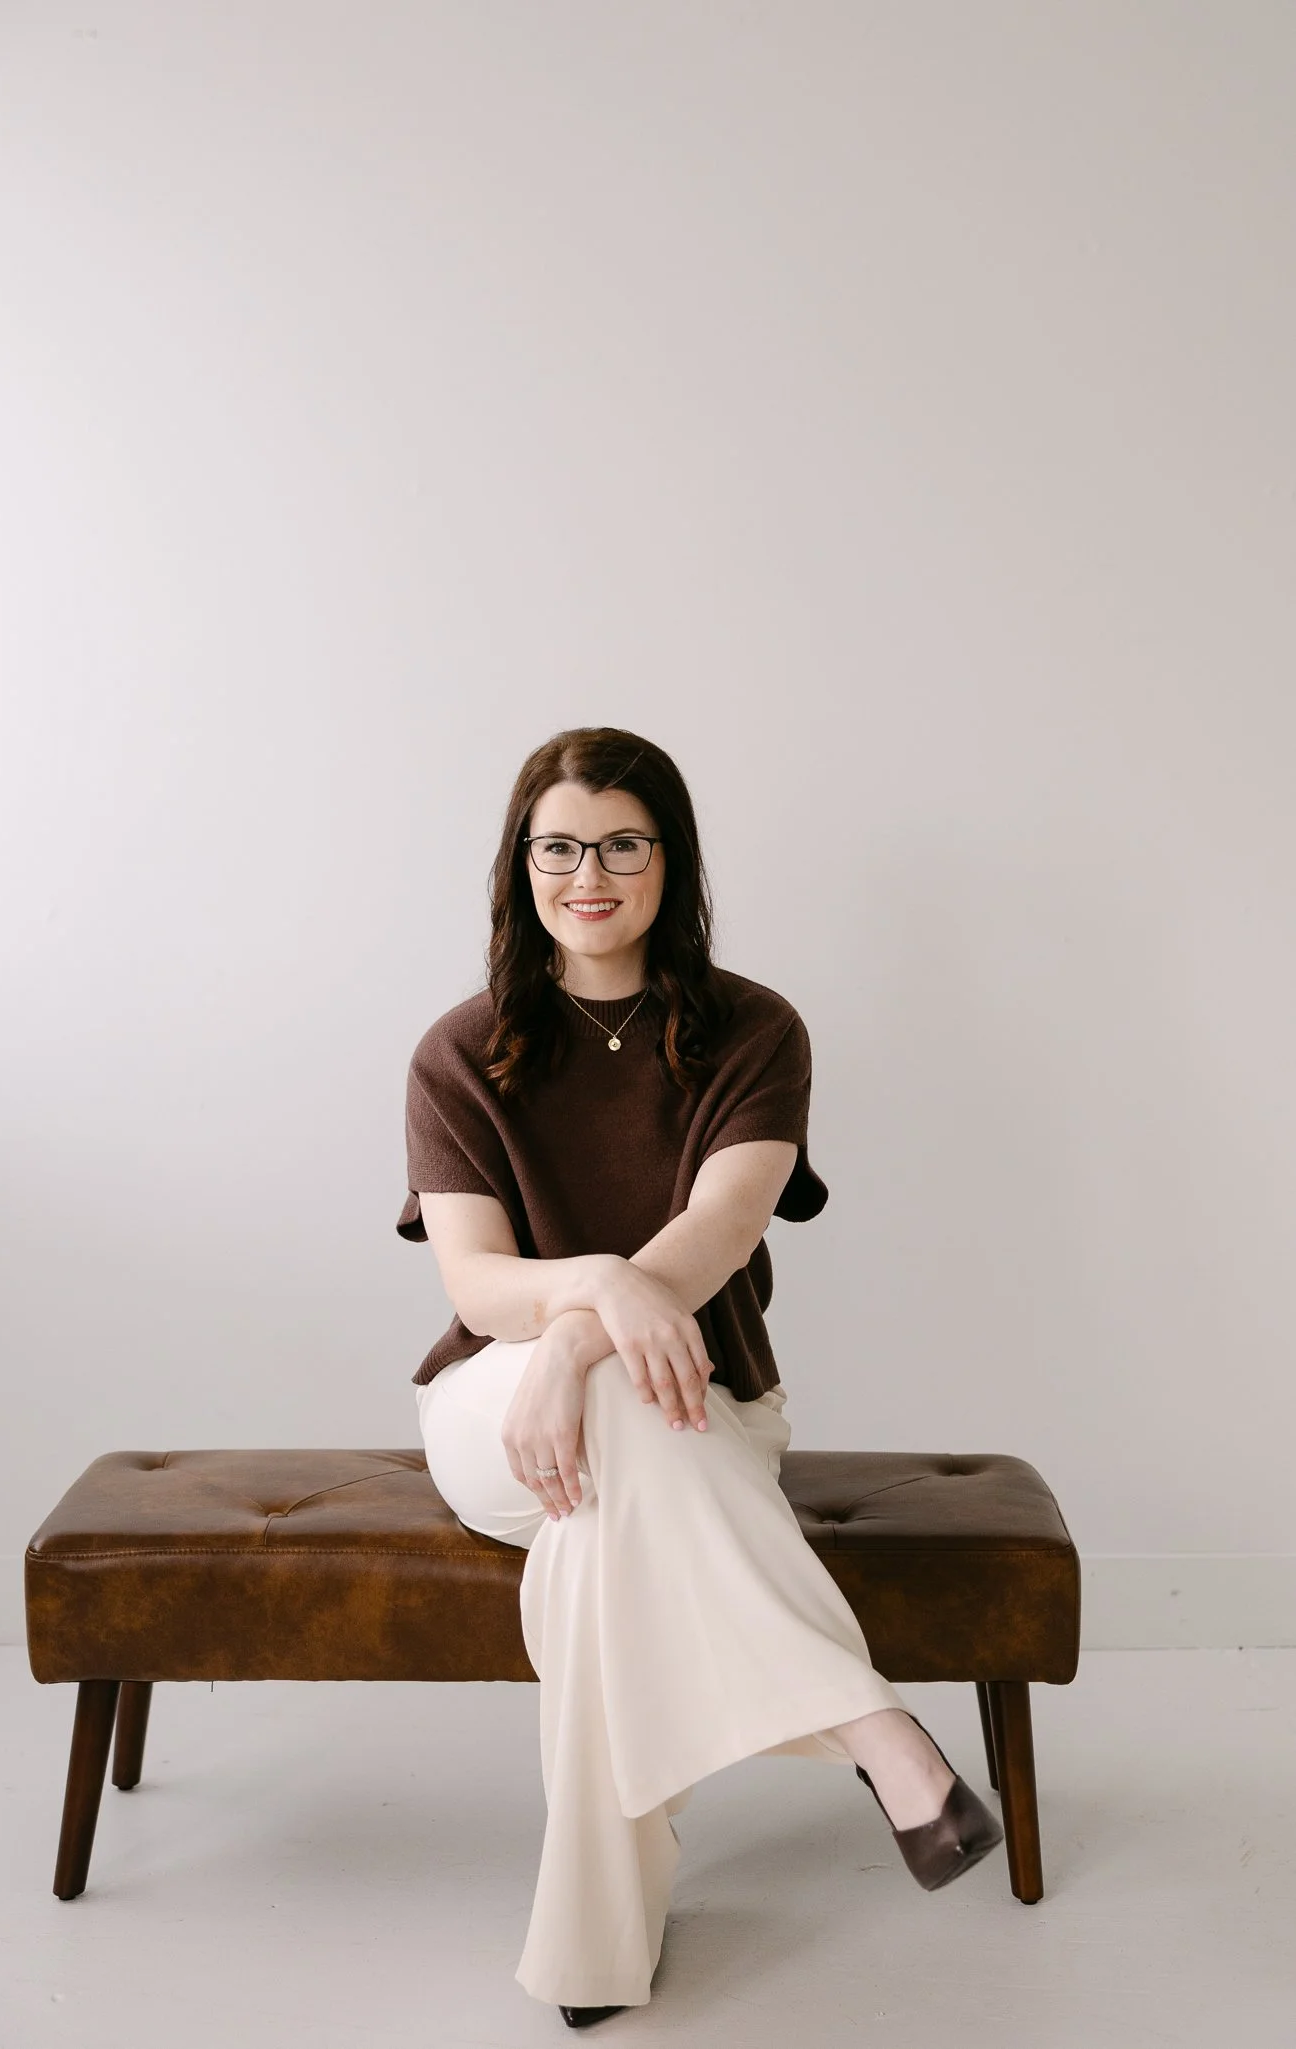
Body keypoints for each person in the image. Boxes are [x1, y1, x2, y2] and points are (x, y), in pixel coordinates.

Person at [396, 726, 1002, 2027]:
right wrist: (584, 1305)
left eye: (622, 842)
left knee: (596, 1541)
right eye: (557, 846)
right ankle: (873, 1735)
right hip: (495, 1408)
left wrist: (580, 1331)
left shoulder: (751, 1030)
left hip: (694, 1403)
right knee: (608, 1429)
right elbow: (474, 1284)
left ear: (670, 860)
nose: (589, 873)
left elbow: (725, 1227)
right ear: (521, 868)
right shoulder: (459, 1048)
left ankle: (594, 1953)